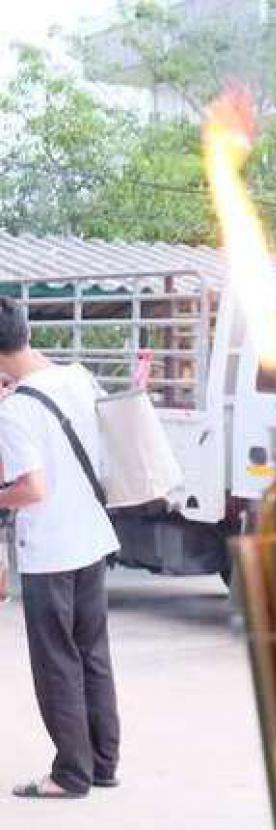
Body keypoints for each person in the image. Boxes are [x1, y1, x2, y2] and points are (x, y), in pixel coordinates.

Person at [0, 296, 121, 799]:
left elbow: (31, 489)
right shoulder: (77, 377)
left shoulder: (16, 410)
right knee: (92, 654)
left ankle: (70, 774)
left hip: (50, 549)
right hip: (91, 536)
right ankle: (103, 763)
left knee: (56, 663)